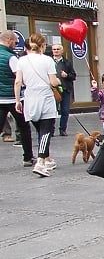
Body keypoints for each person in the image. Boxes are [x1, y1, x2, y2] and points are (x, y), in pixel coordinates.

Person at [13, 33, 59, 177]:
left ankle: (47, 158)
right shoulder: (47, 60)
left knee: (40, 130)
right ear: (42, 45)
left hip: (29, 97)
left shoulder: (21, 60)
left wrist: (17, 100)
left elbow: (18, 82)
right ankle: (40, 162)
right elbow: (53, 82)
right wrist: (58, 81)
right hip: (45, 97)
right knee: (46, 131)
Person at [0, 31, 34, 166]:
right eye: (15, 41)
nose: (15, 44)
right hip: (14, 99)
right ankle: (28, 158)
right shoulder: (11, 57)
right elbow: (19, 79)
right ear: (8, 40)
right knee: (24, 127)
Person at [51, 44, 76, 136]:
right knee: (52, 111)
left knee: (65, 110)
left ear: (62, 51)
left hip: (65, 89)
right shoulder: (49, 62)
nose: (56, 51)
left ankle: (63, 129)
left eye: (58, 49)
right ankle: (51, 130)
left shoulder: (67, 62)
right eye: (54, 49)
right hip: (53, 90)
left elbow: (74, 76)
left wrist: (67, 75)